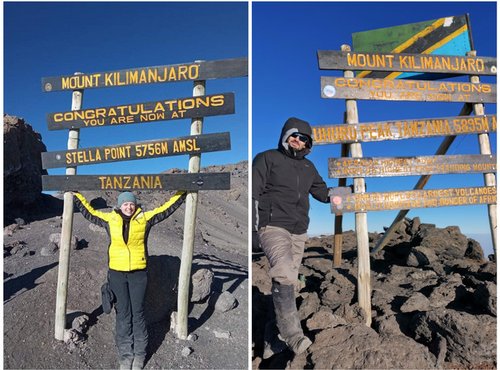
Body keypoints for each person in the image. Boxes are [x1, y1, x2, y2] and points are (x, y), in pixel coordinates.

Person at [73, 190, 186, 370]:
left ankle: (140, 355)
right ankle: (126, 355)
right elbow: (90, 213)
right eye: (125, 204)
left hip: (139, 274)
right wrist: (76, 195)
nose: (129, 206)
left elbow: (165, 209)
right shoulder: (110, 219)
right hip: (117, 274)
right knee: (123, 314)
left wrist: (182, 193)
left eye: (131, 203)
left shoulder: (145, 218)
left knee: (138, 314)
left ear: (135, 205)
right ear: (119, 205)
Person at [252, 117, 330, 358]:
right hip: (273, 226)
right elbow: (253, 192)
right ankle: (293, 335)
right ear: (285, 136)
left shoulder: (309, 168)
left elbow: (323, 193)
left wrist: (351, 193)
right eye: (294, 135)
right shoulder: (268, 158)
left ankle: (270, 340)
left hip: (299, 231)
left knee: (287, 281)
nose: (298, 140)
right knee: (284, 271)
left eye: (303, 138)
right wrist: (254, 230)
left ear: (308, 143)